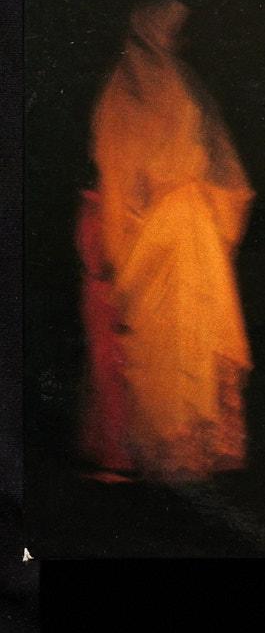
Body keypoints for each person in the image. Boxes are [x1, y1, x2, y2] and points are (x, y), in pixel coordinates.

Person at [91, 0, 253, 481]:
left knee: (187, 334)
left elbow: (204, 161)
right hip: (166, 227)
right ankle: (167, 446)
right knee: (165, 339)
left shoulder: (164, 87)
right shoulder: (135, 92)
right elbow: (122, 170)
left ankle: (187, 447)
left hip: (181, 227)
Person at [75, 184, 134, 481]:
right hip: (103, 294)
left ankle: (118, 455)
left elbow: (103, 260)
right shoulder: (98, 208)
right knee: (107, 371)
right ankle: (111, 451)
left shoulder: (105, 211)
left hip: (109, 295)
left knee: (113, 371)